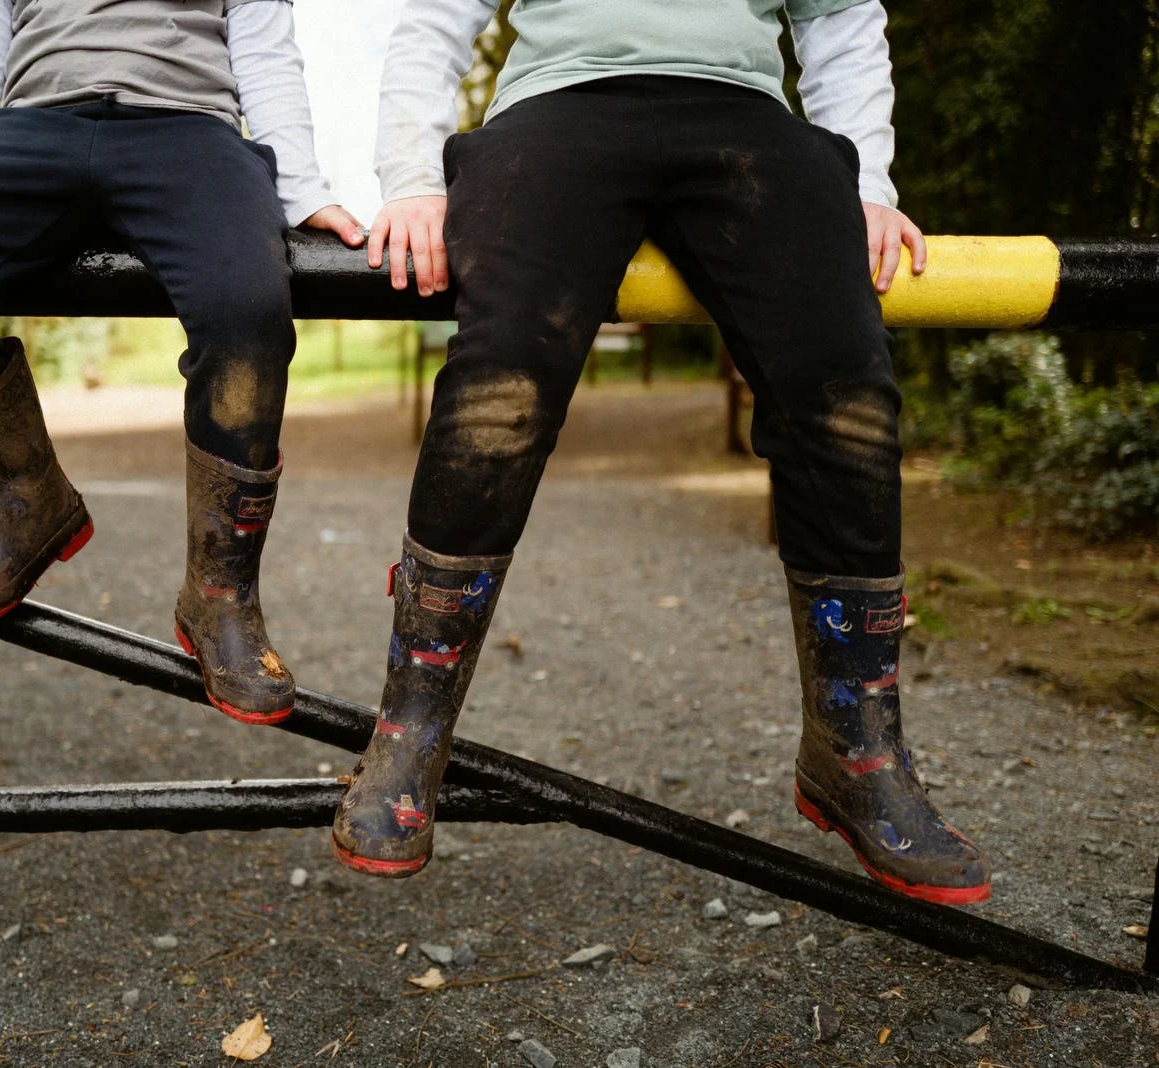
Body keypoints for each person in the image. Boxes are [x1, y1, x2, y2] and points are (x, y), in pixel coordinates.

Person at [331, 0, 992, 905]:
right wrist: (410, 175)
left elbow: (839, 16)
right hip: (558, 110)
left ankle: (856, 752)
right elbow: (437, 15)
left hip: (745, 116)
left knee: (847, 397)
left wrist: (869, 184)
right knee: (500, 388)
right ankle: (410, 730)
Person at [0, 0, 363, 725]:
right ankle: (25, 501)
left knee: (248, 309)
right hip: (28, 127)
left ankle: (220, 594)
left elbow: (266, 45)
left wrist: (301, 188)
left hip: (189, 131)